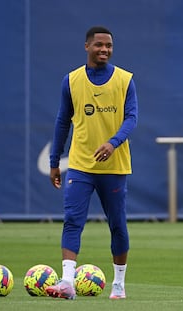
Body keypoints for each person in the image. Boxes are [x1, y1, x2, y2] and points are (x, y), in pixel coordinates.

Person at [46, 26, 138, 300]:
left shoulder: (124, 80)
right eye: (99, 45)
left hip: (114, 166)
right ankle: (66, 282)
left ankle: (119, 284)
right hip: (81, 165)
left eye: (108, 46)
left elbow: (131, 118)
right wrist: (55, 160)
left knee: (118, 225)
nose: (104, 50)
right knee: (73, 220)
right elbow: (62, 122)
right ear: (87, 46)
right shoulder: (72, 81)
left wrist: (113, 142)